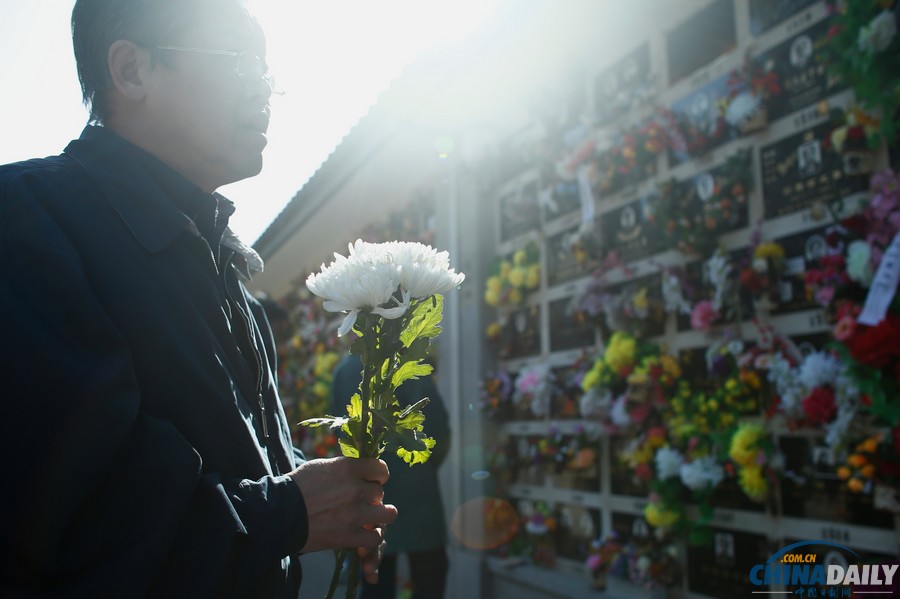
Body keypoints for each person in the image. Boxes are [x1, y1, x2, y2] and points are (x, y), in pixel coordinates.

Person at [0, 0, 396, 596]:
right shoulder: (31, 221)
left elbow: (253, 473)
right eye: (238, 60)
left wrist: (328, 507)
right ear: (132, 71)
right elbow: (60, 513)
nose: (265, 90)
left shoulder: (227, 271)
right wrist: (286, 512)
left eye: (266, 70)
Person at [332, 353, 450, 599]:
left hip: (371, 494)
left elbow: (340, 436)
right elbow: (440, 429)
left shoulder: (345, 370)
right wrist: (421, 467)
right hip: (420, 493)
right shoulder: (411, 364)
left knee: (375, 581)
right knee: (429, 578)